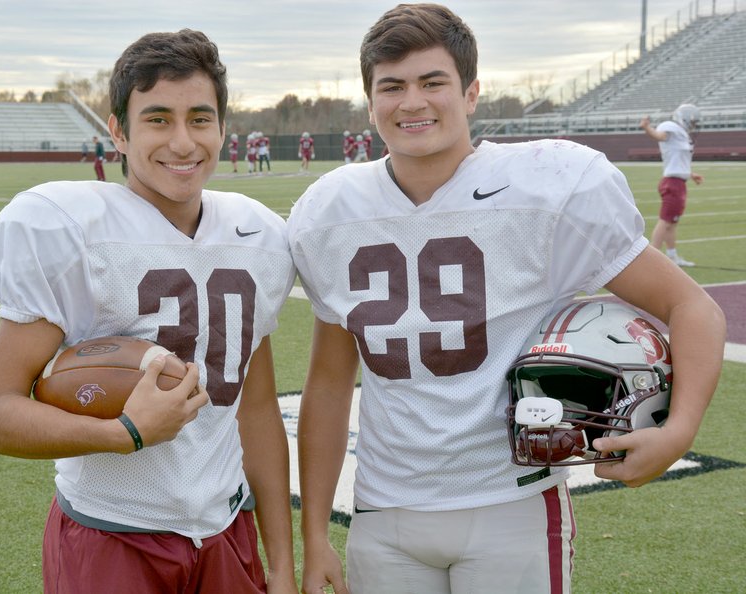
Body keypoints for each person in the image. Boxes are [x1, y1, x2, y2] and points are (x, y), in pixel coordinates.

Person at [287, 4, 725, 594]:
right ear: (371, 103)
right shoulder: (330, 211)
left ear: (470, 93)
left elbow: (694, 307)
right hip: (383, 509)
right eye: (391, 87)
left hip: (510, 503)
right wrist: (315, 535)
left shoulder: (545, 186)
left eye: (431, 82)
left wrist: (680, 430)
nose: (411, 102)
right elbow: (330, 384)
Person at [0, 29, 297, 594]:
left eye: (200, 118)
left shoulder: (257, 236)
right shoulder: (71, 231)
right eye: (158, 119)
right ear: (118, 132)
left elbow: (259, 412)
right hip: (113, 533)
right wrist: (127, 433)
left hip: (226, 528)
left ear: (223, 128)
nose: (182, 141)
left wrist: (283, 562)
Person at [640, 105, 703, 267]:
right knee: (665, 221)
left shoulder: (680, 134)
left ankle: (672, 256)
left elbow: (678, 162)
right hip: (672, 183)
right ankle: (651, 259)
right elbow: (659, 136)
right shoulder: (671, 128)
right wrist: (647, 128)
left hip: (678, 182)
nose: (694, 124)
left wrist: (691, 174)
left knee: (672, 222)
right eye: (693, 121)